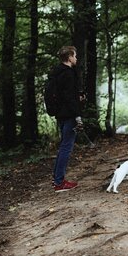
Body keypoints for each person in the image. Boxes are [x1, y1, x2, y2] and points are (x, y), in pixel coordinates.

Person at [52, 46, 85, 192]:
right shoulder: (69, 74)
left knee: (63, 146)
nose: (76, 58)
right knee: (66, 147)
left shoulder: (57, 72)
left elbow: (63, 95)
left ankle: (57, 179)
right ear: (70, 57)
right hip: (70, 114)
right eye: (75, 56)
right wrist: (77, 115)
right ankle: (59, 183)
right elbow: (69, 97)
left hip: (61, 114)